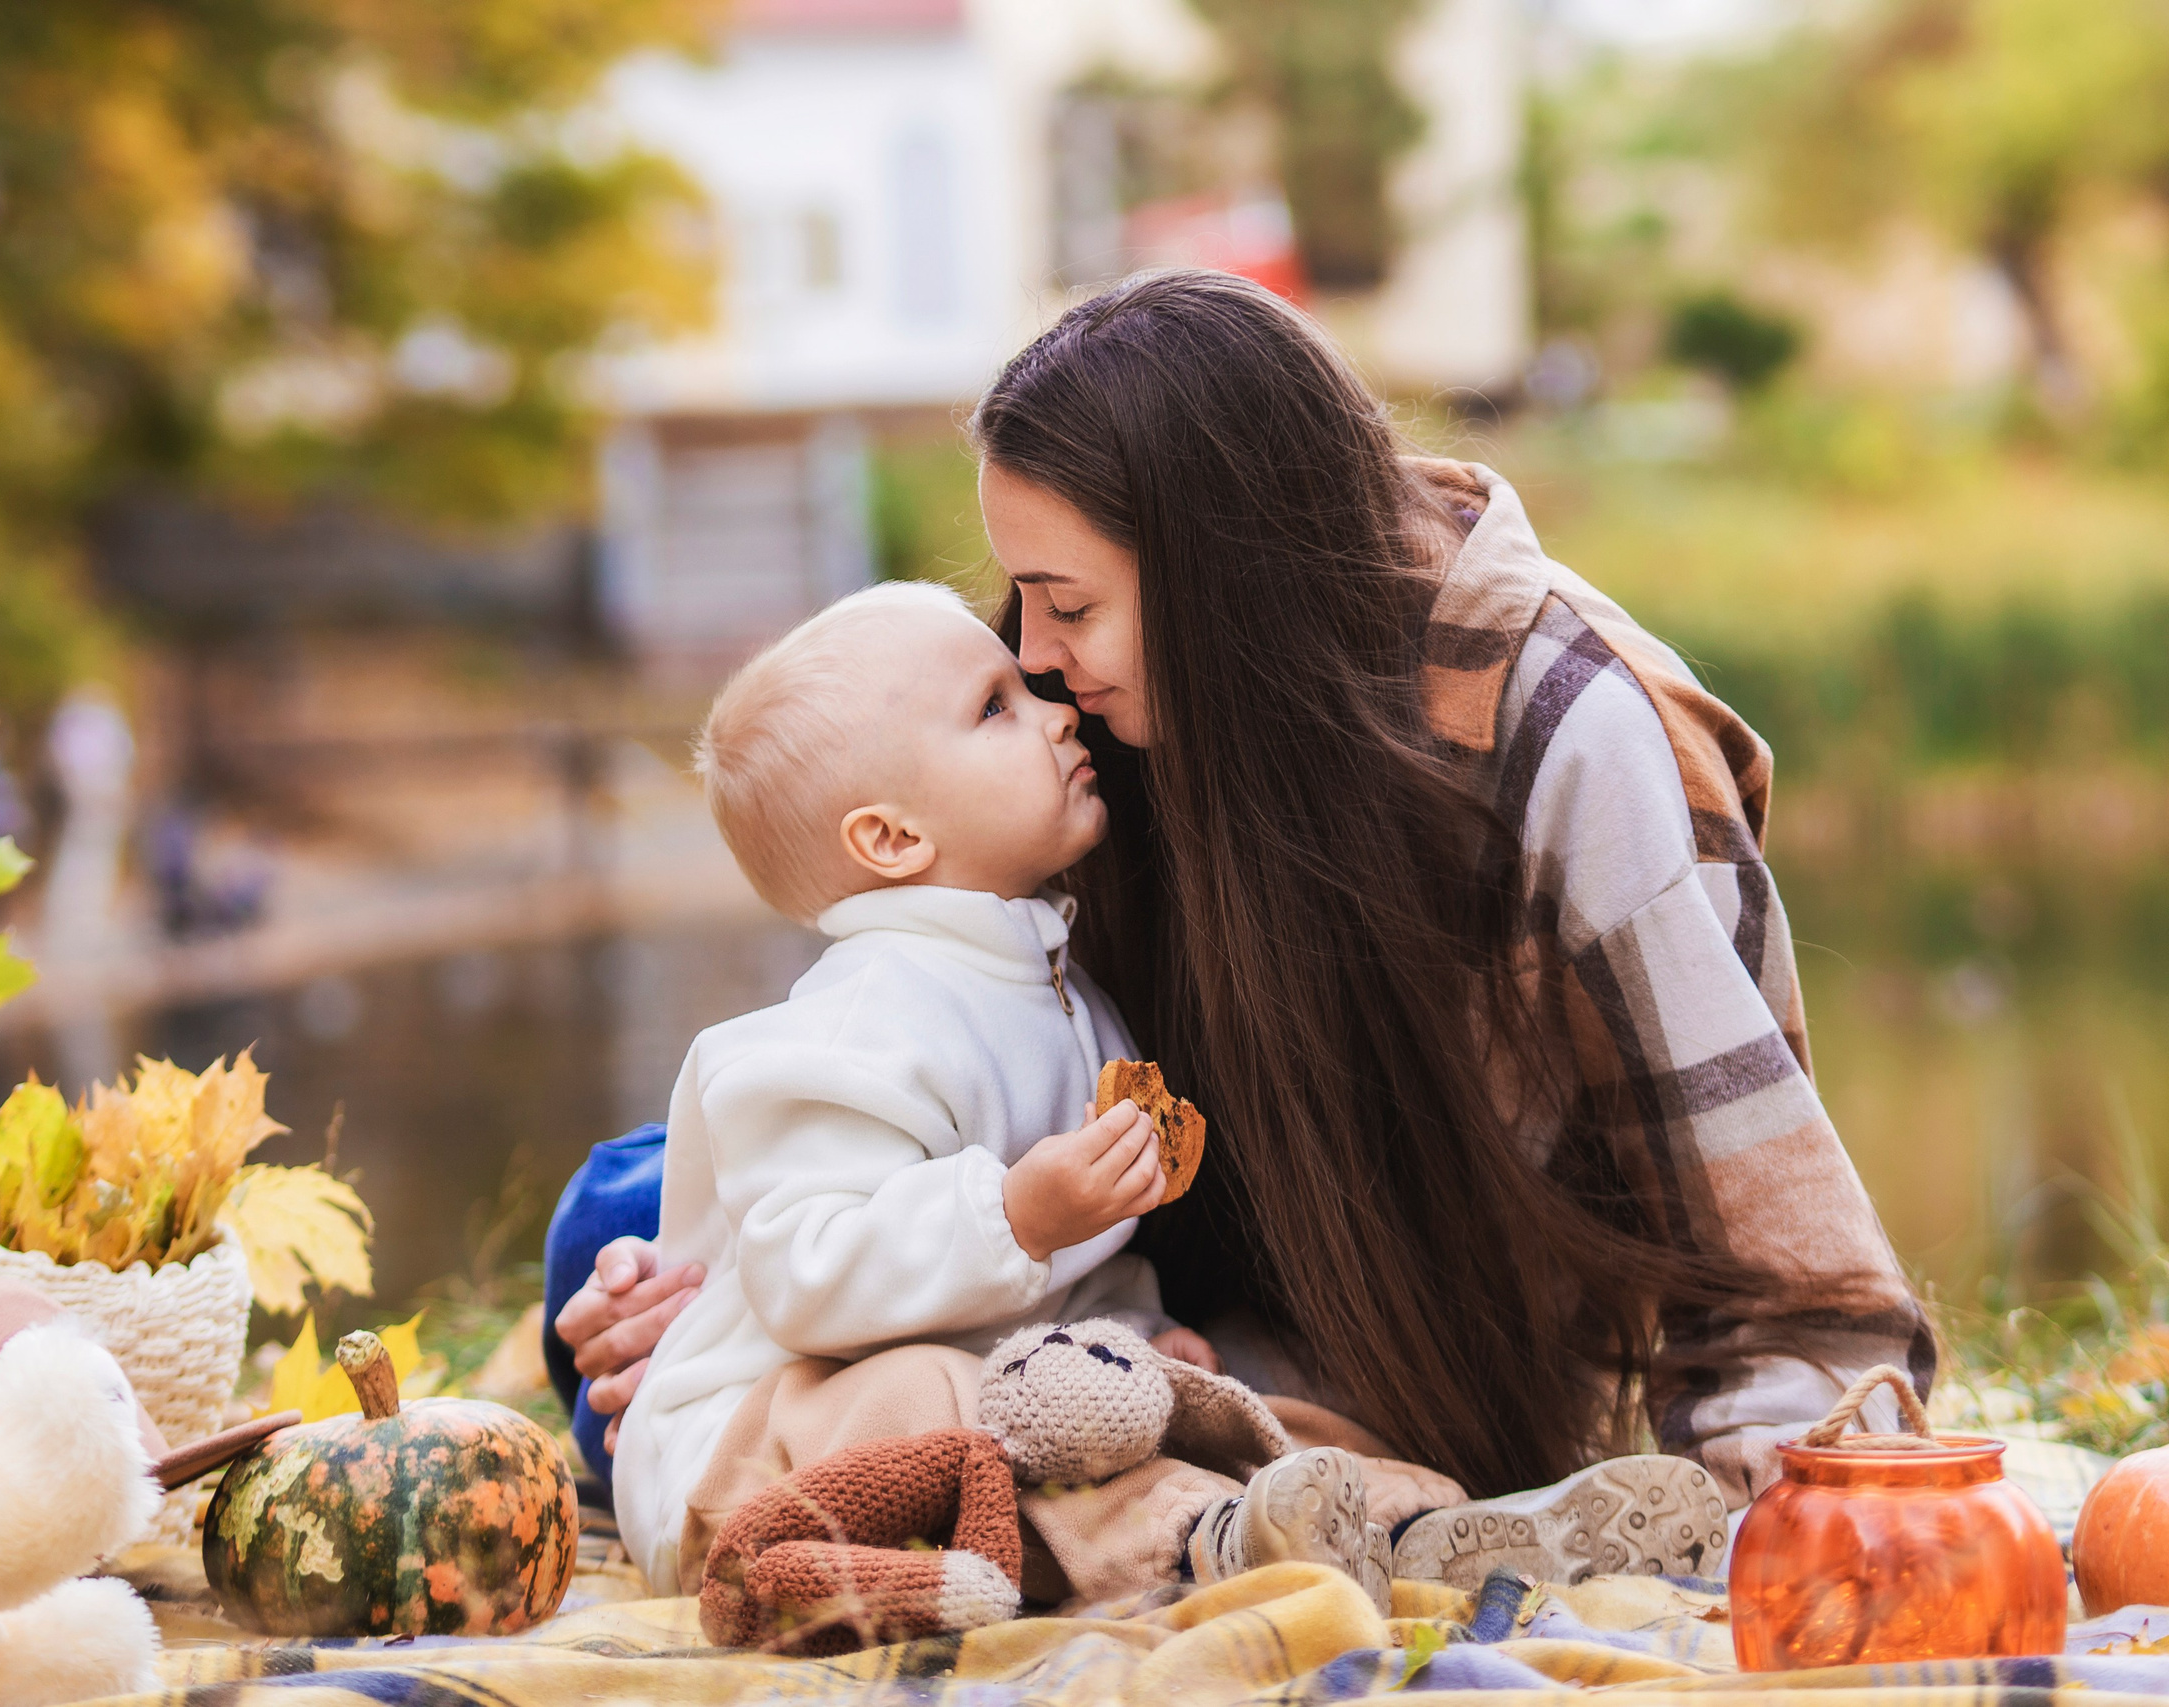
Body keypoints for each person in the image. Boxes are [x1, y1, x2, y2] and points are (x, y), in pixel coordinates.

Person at [552, 268, 1929, 1594]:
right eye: (1024, 600)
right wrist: (720, 1278)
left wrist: (1796, 1506)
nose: (1033, 655)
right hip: (1070, 1262)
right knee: (617, 1213)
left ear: (1220, 567)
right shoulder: (1092, 694)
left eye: (1068, 603)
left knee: (960, 1397)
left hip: (1315, 1331)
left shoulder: (1571, 734)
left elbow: (1778, 1259)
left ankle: (1282, 1513)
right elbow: (926, 1027)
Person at [609, 580, 1454, 1606]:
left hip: (997, 1416)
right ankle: (1195, 1542)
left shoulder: (1057, 988)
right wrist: (1013, 1214)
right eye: (994, 707)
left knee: (1196, 1389)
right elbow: (808, 1271)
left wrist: (1136, 1332)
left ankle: (1404, 1509)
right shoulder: (851, 1024)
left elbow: (1063, 1283)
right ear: (891, 840)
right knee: (942, 1401)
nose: (1057, 710)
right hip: (752, 1456)